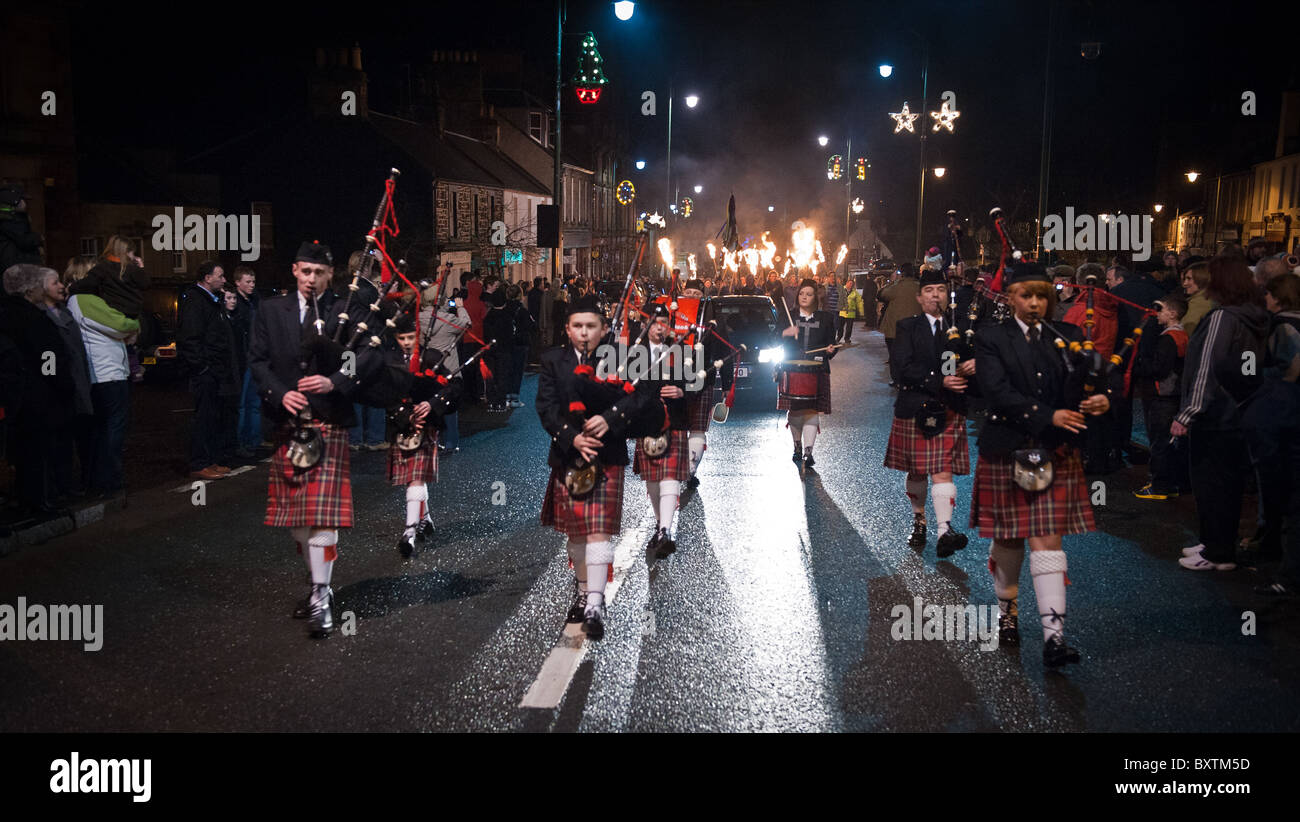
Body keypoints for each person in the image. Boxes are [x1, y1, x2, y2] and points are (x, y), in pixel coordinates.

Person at [971, 262, 1110, 667]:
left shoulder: (1069, 336)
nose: (1035, 304)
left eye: (1042, 297)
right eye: (1027, 296)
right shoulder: (991, 337)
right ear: (1011, 298)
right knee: (1010, 540)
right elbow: (996, 391)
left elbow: (1099, 378)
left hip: (1054, 451)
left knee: (1047, 539)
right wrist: (1048, 415)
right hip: (1007, 447)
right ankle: (1007, 612)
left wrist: (1103, 399)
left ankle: (1054, 637)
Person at [248, 240, 373, 639]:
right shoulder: (271, 309)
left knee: (321, 517)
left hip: (328, 421)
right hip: (288, 421)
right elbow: (257, 361)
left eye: (319, 273)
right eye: (305, 271)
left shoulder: (346, 308)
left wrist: (334, 380)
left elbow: (368, 358)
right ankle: (319, 580)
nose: (311, 279)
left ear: (330, 275)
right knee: (297, 524)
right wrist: (280, 393)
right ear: (294, 271)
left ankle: (321, 594)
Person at [536, 294, 649, 640]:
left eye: (591, 326)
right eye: (577, 326)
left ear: (602, 329)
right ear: (567, 329)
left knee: (598, 531)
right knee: (577, 535)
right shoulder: (553, 362)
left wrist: (610, 417)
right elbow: (547, 407)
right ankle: (584, 591)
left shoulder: (621, 359)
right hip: (570, 456)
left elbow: (641, 394)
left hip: (607, 452)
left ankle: (596, 604)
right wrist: (572, 438)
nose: (584, 333)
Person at [1171, 255, 1270, 572]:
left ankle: (1217, 551)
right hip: (1239, 412)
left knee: (1211, 484)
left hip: (1215, 416)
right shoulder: (1254, 316)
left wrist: (1188, 413)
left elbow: (1207, 370)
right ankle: (1216, 543)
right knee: (1227, 485)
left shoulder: (1221, 318)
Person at [884, 268, 974, 557]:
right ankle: (919, 519)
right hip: (916, 407)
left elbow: (965, 362)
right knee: (918, 471)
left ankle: (945, 529)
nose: (935, 295)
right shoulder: (907, 326)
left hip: (949, 407)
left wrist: (972, 366)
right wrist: (938, 380)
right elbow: (901, 369)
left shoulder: (959, 329)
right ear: (919, 297)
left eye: (940, 290)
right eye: (929, 291)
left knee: (943, 470)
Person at [1, 265, 76, 515]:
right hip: (37, 395)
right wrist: (57, 381)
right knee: (37, 452)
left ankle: (24, 498)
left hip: (14, 394)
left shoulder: (6, 314)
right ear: (30, 288)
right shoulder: (33, 318)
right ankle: (38, 501)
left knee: (20, 452)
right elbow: (48, 357)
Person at [65, 261, 138, 499]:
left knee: (99, 432)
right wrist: (135, 325)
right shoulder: (86, 299)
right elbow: (120, 324)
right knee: (110, 432)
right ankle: (109, 482)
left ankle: (98, 480)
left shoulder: (80, 300)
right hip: (107, 374)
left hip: (102, 373)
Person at [1246, 273, 1300, 595]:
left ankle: (1282, 564)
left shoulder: (1280, 327)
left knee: (1281, 490)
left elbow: (1268, 370)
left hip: (1283, 415)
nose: (1265, 299)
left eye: (1268, 295)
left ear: (1278, 298)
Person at [383, 311, 445, 559]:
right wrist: (404, 415)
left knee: (415, 477)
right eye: (402, 338)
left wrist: (431, 404)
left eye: (411, 337)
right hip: (401, 425)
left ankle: (409, 531)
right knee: (414, 478)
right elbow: (384, 394)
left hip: (426, 423)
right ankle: (425, 518)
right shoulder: (388, 360)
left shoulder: (432, 357)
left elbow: (452, 388)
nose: (407, 342)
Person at [631, 301, 690, 556]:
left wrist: (681, 390)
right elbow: (626, 387)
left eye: (665, 323)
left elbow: (696, 381)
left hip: (674, 419)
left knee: (670, 477)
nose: (660, 328)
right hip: (647, 420)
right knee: (653, 480)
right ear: (645, 325)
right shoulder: (633, 352)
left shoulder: (681, 350)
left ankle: (665, 530)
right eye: (655, 323)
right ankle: (660, 522)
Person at [778, 278, 840, 472]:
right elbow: (772, 338)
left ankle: (808, 451)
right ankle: (797, 445)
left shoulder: (826, 318)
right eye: (802, 294)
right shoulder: (787, 315)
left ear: (816, 297)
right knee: (795, 410)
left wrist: (831, 350)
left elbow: (832, 343)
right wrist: (785, 333)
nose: (804, 297)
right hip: (791, 368)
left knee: (812, 410)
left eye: (809, 294)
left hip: (817, 369)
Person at [177, 260, 230, 480]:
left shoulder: (210, 301)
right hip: (205, 371)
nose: (224, 280)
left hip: (213, 369)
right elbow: (190, 337)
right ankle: (199, 462)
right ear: (207, 278)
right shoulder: (196, 301)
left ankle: (209, 460)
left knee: (212, 417)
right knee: (203, 417)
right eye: (220, 275)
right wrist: (202, 367)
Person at [1132, 295, 1189, 500]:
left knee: (1159, 440)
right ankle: (1171, 483)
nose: (1157, 313)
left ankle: (1158, 485)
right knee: (1169, 441)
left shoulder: (1168, 338)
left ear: (1173, 313)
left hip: (1162, 393)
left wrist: (1141, 365)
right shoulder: (1182, 335)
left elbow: (1159, 368)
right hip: (1174, 394)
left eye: (1161, 309)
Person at [679, 279, 732, 489]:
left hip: (704, 377)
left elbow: (724, 351)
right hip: (674, 378)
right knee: (678, 427)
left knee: (697, 427)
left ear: (703, 295)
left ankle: (690, 471)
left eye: (696, 292)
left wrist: (727, 383)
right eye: (688, 291)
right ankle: (679, 467)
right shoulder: (671, 315)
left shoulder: (713, 318)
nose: (692, 295)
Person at [422, 287, 470, 454]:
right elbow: (466, 323)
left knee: (430, 404)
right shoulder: (447, 320)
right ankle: (451, 441)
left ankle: (433, 440)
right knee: (450, 405)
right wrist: (460, 307)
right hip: (448, 366)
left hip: (427, 367)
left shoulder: (419, 318)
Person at [231, 266, 264, 458]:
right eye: (248, 282)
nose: (252, 285)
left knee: (254, 402)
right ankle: (241, 442)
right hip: (244, 359)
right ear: (238, 283)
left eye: (253, 282)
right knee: (243, 404)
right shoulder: (237, 303)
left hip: (254, 357)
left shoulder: (254, 301)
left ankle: (253, 440)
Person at [878, 265, 921, 386]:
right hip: (915, 328)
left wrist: (893, 282)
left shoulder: (897, 287)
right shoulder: (920, 287)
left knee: (895, 355)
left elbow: (881, 295)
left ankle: (897, 379)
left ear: (901, 274)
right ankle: (910, 378)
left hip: (895, 329)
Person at [482, 280, 513, 412]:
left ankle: (491, 401)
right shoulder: (507, 316)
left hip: (490, 350)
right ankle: (501, 402)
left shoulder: (488, 316)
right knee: (502, 377)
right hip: (504, 349)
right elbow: (510, 334)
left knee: (490, 377)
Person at [0, 185, 43, 273]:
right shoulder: (9, 220)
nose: (25, 203)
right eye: (22, 199)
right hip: (14, 267)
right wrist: (39, 238)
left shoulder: (10, 218)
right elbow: (24, 240)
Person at [1179, 261, 1214, 335]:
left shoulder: (1199, 302)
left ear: (1202, 278)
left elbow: (1186, 331)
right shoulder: (1209, 297)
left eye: (1189, 279)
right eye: (1185, 279)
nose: (1185, 283)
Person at [838, 274, 863, 343]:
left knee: (849, 328)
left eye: (852, 284)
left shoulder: (855, 292)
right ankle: (839, 337)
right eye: (850, 283)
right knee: (840, 327)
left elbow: (859, 302)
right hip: (842, 312)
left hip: (851, 313)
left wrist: (861, 312)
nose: (851, 285)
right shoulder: (841, 290)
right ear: (846, 283)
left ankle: (847, 338)